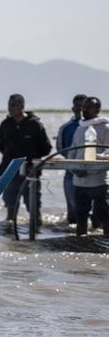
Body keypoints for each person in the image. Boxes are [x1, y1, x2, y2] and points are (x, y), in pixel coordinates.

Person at [0, 94, 52, 223]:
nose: (10, 108)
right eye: (9, 105)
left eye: (14, 105)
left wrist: (31, 158)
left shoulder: (35, 124)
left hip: (30, 172)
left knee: (33, 205)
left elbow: (46, 148)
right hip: (9, 171)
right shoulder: (6, 124)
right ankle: (9, 235)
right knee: (10, 206)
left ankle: (36, 231)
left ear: (22, 106)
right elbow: (1, 146)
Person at [70, 96, 109, 237]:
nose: (84, 109)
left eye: (88, 107)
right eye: (84, 106)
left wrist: (90, 170)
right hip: (79, 182)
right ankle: (79, 244)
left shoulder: (105, 127)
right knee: (80, 218)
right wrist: (74, 168)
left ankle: (105, 245)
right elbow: (73, 151)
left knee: (105, 217)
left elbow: (107, 153)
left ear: (97, 109)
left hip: (98, 182)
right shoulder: (80, 128)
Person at [56, 94, 88, 226]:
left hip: (96, 172)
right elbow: (60, 147)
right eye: (77, 107)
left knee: (98, 208)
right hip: (71, 172)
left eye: (83, 106)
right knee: (72, 206)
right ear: (73, 108)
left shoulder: (100, 126)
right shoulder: (66, 127)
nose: (80, 109)